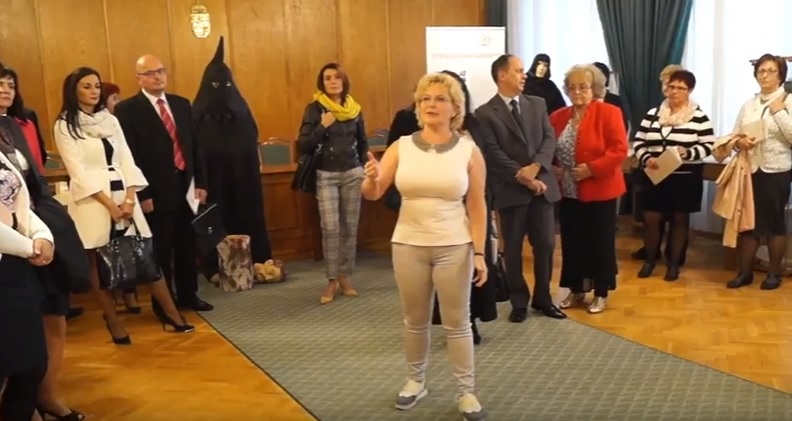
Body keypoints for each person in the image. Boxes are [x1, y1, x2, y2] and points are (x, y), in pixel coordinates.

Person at [361, 72, 488, 420]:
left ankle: (466, 391)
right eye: (425, 99)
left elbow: (477, 207)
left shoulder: (469, 151)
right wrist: (369, 180)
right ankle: (415, 380)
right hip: (408, 244)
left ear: (455, 108)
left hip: (455, 246)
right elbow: (374, 193)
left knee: (458, 322)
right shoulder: (401, 146)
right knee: (415, 319)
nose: (431, 105)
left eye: (440, 99)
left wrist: (479, 253)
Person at [54, 67, 194, 345]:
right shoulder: (65, 124)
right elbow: (77, 171)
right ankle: (114, 321)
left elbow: (127, 160)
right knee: (99, 264)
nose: (94, 91)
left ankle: (172, 314)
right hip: (93, 200)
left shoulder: (110, 120)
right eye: (86, 86)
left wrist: (130, 198)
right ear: (73, 90)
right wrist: (108, 205)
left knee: (146, 254)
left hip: (124, 194)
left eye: (96, 86)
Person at [0, 64, 88, 420]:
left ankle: (45, 395)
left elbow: (30, 182)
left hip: (32, 227)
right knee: (15, 345)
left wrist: (43, 232)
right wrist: (29, 242)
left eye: (10, 84)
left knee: (52, 315)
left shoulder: (16, 124)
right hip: (12, 247)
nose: (5, 89)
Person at [114, 55, 213, 314]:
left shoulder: (181, 104)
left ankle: (189, 295)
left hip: (186, 186)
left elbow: (194, 146)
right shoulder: (128, 109)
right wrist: (142, 193)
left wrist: (201, 182)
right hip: (155, 191)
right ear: (139, 79)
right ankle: (165, 304)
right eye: (150, 73)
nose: (158, 76)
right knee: (161, 247)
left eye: (161, 71)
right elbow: (130, 155)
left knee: (187, 244)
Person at [476, 54, 565, 322]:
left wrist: (535, 167)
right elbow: (493, 153)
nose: (524, 75)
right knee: (513, 249)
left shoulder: (537, 104)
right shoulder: (484, 113)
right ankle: (519, 302)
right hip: (511, 189)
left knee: (546, 245)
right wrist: (523, 176)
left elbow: (549, 139)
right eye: (518, 70)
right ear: (502, 75)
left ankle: (543, 299)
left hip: (542, 188)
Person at [549, 64, 628, 314]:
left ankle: (601, 293)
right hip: (568, 192)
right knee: (573, 243)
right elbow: (548, 149)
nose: (577, 92)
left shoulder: (609, 112)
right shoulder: (558, 116)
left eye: (583, 87)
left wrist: (591, 169)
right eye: (571, 87)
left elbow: (619, 150)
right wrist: (553, 168)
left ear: (594, 88)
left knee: (599, 243)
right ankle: (576, 290)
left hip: (600, 190)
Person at [193, 37, 272, 272]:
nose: (222, 90)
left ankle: (255, 260)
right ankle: (214, 266)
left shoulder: (241, 113)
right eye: (215, 85)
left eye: (226, 84)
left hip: (243, 183)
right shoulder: (197, 116)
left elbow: (252, 144)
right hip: (212, 185)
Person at [296, 62, 369, 304]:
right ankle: (331, 280)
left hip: (352, 173)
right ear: (322, 83)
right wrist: (322, 126)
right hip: (325, 174)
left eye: (337, 77)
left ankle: (344, 276)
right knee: (330, 228)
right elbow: (303, 144)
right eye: (328, 78)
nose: (333, 82)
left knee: (350, 227)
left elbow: (362, 141)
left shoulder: (354, 109)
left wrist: (363, 165)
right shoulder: (314, 109)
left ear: (344, 81)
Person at [633, 70, 715, 281]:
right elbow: (639, 141)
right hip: (656, 174)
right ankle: (649, 260)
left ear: (690, 91)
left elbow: (709, 145)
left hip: (685, 177)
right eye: (671, 86)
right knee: (651, 218)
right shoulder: (653, 114)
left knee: (679, 219)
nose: (675, 91)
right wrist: (646, 158)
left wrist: (688, 152)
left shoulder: (698, 116)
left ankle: (673, 264)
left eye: (681, 88)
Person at [726, 54, 792, 290]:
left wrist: (779, 112)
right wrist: (739, 143)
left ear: (781, 75)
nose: (765, 75)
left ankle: (774, 274)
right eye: (761, 71)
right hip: (750, 169)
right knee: (748, 223)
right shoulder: (749, 105)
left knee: (774, 223)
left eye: (771, 71)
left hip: (777, 170)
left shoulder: (789, 100)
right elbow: (734, 135)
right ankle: (745, 273)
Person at [0, 144, 53, 420]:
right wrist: (29, 248)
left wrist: (43, 236)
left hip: (16, 267)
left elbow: (18, 200)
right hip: (13, 255)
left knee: (31, 364)